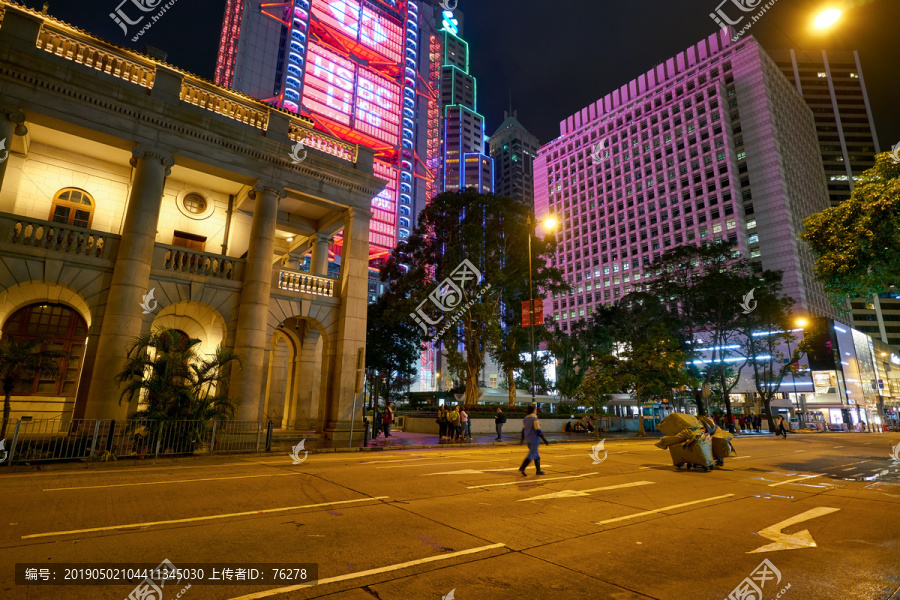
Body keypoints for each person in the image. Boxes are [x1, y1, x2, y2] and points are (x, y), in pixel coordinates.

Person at [519, 405, 549, 476]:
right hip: (534, 439)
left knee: (536, 455)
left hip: (528, 439)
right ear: (533, 410)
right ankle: (522, 467)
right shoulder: (535, 419)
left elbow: (523, 430)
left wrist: (522, 439)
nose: (536, 411)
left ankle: (538, 470)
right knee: (532, 454)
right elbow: (538, 430)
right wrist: (544, 439)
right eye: (535, 409)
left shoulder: (525, 419)